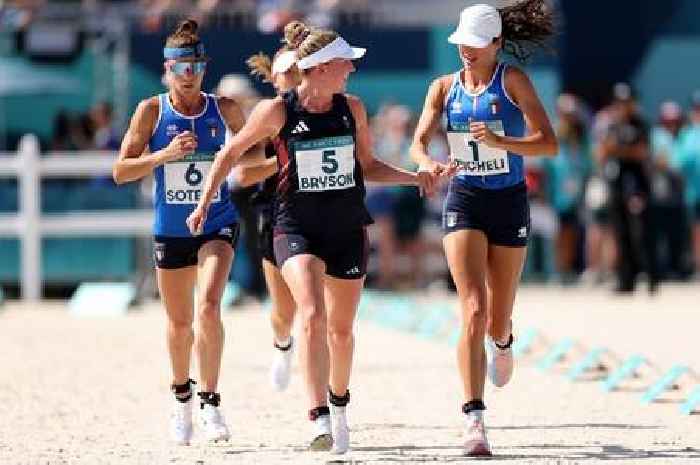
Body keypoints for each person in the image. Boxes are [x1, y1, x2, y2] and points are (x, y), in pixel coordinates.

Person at [187, 21, 432, 454]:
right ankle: (317, 415)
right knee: (312, 314)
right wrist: (204, 203)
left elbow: (368, 167)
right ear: (320, 68)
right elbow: (229, 155)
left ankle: (339, 406)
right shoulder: (277, 111)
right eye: (345, 64)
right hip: (294, 226)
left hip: (347, 228)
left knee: (341, 331)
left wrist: (417, 178)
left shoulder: (351, 108)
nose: (351, 71)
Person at [410, 1, 557, 456]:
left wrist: (501, 142)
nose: (466, 52)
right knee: (471, 309)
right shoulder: (442, 87)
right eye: (461, 44)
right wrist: (429, 164)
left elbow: (548, 143)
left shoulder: (512, 81)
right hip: (466, 200)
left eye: (476, 44)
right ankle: (474, 418)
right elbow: (417, 143)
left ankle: (504, 340)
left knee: (496, 317)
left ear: (496, 43)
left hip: (509, 201)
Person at [112, 19, 247, 446]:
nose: (188, 76)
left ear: (204, 68)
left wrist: (259, 167)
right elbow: (120, 171)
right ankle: (182, 398)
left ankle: (211, 401)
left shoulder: (223, 108)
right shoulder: (151, 111)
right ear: (167, 70)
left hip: (216, 221)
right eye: (180, 68)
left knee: (209, 307)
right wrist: (163, 155)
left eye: (195, 67)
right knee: (179, 322)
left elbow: (256, 156)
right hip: (170, 228)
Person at [233, 45, 336, 450]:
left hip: (324, 213)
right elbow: (243, 174)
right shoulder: (271, 114)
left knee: (321, 309)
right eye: (286, 73)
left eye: (298, 70)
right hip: (276, 214)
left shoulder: (324, 106)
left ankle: (326, 394)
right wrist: (286, 161)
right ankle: (282, 343)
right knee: (283, 311)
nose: (293, 78)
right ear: (275, 80)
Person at [599, 83, 659, 294]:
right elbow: (602, 152)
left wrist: (617, 150)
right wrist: (618, 151)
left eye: (627, 102)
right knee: (621, 233)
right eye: (620, 102)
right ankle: (626, 280)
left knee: (641, 232)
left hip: (637, 186)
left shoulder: (640, 124)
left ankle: (652, 277)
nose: (623, 106)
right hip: (617, 185)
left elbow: (640, 152)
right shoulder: (612, 125)